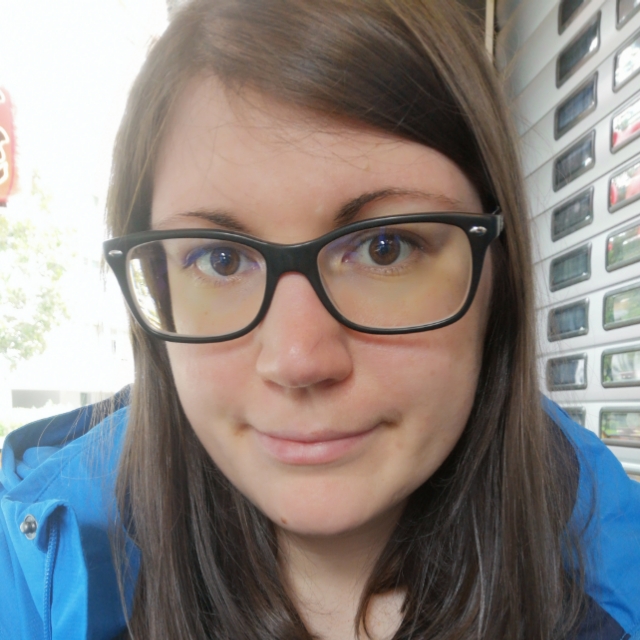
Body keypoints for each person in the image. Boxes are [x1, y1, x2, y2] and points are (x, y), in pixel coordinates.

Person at [1, 1, 639, 638]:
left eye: (384, 248)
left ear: (498, 272)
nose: (298, 359)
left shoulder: (612, 589)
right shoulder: (36, 578)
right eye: (222, 259)